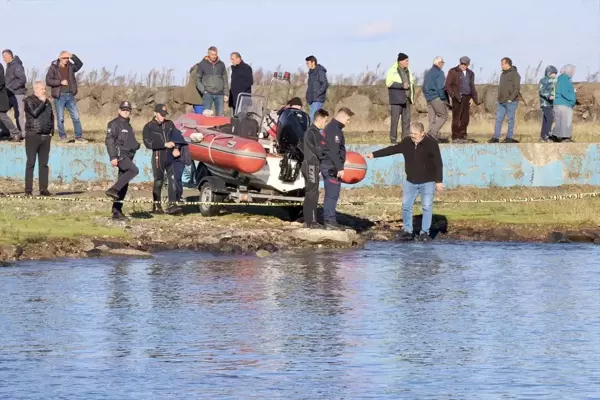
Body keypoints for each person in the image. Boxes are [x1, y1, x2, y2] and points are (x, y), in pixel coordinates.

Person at [366, 122, 443, 242]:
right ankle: (407, 231)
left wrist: (438, 181)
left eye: (415, 134)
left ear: (422, 133)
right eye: (411, 133)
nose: (412, 136)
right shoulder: (407, 142)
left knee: (427, 207)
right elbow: (392, 149)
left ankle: (424, 233)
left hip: (427, 181)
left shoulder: (431, 144)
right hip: (410, 181)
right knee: (406, 206)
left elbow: (438, 163)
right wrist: (374, 154)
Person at [142, 104, 186, 215]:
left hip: (171, 156)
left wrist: (177, 148)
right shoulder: (148, 126)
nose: (163, 117)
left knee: (173, 179)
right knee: (159, 181)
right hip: (158, 156)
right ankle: (157, 206)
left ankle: (172, 205)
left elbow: (178, 137)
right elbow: (148, 143)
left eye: (164, 115)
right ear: (155, 113)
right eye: (161, 115)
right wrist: (164, 144)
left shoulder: (170, 124)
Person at [104, 101, 140, 221]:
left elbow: (130, 141)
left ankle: (117, 211)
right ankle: (112, 189)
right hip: (120, 155)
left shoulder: (129, 126)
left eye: (128, 110)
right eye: (123, 109)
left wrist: (136, 145)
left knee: (123, 184)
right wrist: (113, 157)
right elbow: (109, 141)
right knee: (134, 170)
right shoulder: (114, 124)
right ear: (119, 110)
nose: (126, 111)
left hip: (129, 155)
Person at [321, 107, 354, 230]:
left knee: (331, 194)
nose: (348, 122)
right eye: (348, 119)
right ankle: (329, 221)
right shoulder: (334, 130)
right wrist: (339, 167)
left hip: (329, 164)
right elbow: (334, 151)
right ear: (342, 117)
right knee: (332, 194)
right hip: (331, 166)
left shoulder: (334, 128)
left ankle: (330, 220)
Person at [45, 51, 85, 143]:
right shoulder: (53, 67)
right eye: (64, 58)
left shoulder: (71, 66)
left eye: (67, 58)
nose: (66, 60)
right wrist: (60, 82)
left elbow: (80, 64)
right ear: (59, 58)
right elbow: (48, 81)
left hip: (70, 95)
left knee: (76, 116)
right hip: (59, 96)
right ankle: (63, 137)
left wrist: (72, 56)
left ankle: (78, 137)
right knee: (60, 118)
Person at [23, 81, 54, 196]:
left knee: (44, 164)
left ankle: (43, 189)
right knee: (31, 163)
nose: (44, 91)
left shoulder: (48, 103)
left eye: (44, 89)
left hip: (45, 136)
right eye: (41, 89)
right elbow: (34, 113)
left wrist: (51, 132)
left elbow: (51, 117)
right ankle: (28, 190)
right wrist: (42, 102)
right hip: (33, 135)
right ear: (35, 89)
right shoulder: (29, 100)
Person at [302, 108, 330, 229]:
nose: (326, 123)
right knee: (312, 192)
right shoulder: (314, 132)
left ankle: (307, 220)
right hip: (311, 165)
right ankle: (312, 220)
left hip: (309, 164)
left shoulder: (310, 131)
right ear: (320, 119)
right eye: (325, 121)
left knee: (310, 192)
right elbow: (320, 151)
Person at [444, 56, 479, 143]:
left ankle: (463, 135)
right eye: (462, 63)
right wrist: (453, 95)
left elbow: (472, 86)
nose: (463, 65)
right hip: (457, 97)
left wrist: (473, 98)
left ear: (468, 64)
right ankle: (455, 136)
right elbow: (447, 85)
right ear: (460, 63)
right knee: (456, 118)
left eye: (465, 64)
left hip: (467, 97)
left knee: (465, 119)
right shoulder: (453, 71)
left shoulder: (471, 73)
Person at [489, 57, 521, 143]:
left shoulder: (515, 74)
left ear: (507, 64)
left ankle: (509, 137)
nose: (501, 66)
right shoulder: (502, 74)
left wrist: (511, 99)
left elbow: (516, 88)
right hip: (501, 101)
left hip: (511, 102)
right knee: (498, 119)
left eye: (502, 64)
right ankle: (496, 137)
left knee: (510, 119)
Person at [386, 53, 414, 144]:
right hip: (396, 99)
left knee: (406, 120)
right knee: (395, 120)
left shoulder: (408, 70)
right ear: (401, 61)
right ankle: (393, 139)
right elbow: (389, 83)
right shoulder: (392, 70)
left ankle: (405, 139)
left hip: (407, 98)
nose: (407, 62)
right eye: (406, 61)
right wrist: (402, 86)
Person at [196, 46, 228, 117]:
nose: (214, 56)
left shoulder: (221, 64)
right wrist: (203, 90)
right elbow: (198, 79)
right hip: (208, 94)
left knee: (220, 116)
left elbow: (225, 79)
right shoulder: (202, 64)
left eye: (215, 54)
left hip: (220, 94)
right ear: (208, 54)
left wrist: (226, 93)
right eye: (212, 54)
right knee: (206, 116)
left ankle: (219, 128)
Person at [422, 56, 449, 142]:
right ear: (439, 63)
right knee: (443, 116)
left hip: (429, 98)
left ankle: (432, 139)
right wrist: (443, 98)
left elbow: (423, 87)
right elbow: (440, 87)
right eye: (442, 63)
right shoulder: (440, 73)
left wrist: (427, 96)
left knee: (432, 119)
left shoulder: (428, 72)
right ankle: (430, 134)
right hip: (436, 98)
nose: (443, 65)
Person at [3, 49, 27, 138]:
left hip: (18, 94)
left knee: (19, 115)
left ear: (9, 56)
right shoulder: (9, 66)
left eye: (4, 57)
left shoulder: (17, 66)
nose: (3, 59)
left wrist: (10, 88)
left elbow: (22, 79)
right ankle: (7, 131)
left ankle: (23, 134)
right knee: (2, 112)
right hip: (9, 94)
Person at [552, 64, 576, 143]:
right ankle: (565, 138)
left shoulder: (559, 79)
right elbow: (564, 92)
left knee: (559, 121)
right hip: (565, 103)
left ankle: (555, 136)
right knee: (566, 121)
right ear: (569, 71)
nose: (573, 73)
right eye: (572, 71)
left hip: (557, 103)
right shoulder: (565, 79)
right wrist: (572, 99)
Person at [0, 62, 21, 141]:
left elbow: (1, 82)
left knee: (2, 115)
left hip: (1, 97)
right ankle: (5, 131)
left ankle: (16, 133)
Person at [305, 55, 329, 122]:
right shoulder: (311, 73)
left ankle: (318, 132)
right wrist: (307, 96)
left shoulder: (320, 72)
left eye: (308, 63)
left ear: (313, 62)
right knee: (313, 120)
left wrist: (317, 94)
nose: (307, 65)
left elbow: (325, 84)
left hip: (317, 100)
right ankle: (317, 132)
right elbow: (310, 86)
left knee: (314, 119)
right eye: (306, 63)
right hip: (311, 100)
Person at [538, 65, 558, 142]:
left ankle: (543, 136)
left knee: (546, 119)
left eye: (555, 74)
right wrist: (549, 96)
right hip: (545, 103)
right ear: (549, 73)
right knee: (550, 117)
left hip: (551, 104)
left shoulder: (553, 81)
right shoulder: (543, 80)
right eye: (553, 73)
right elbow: (541, 91)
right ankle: (548, 134)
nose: (554, 75)